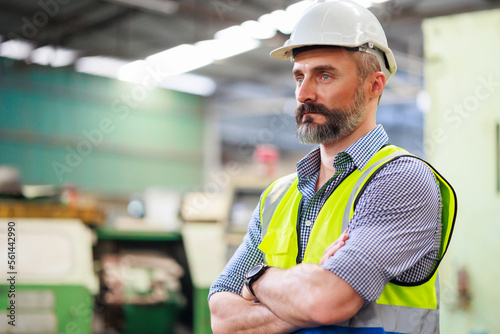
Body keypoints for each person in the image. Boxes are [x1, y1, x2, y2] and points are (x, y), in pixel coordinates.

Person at [208, 1, 457, 333]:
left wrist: (256, 279)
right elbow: (223, 318)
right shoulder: (277, 196)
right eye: (299, 76)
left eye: (324, 75)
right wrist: (306, 288)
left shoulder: (401, 180)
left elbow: (326, 302)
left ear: (375, 86)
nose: (304, 93)